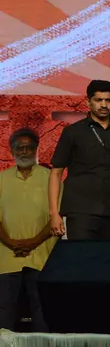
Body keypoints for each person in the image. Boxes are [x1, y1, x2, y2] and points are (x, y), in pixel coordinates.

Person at [49, 80, 110, 239]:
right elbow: (56, 173)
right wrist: (54, 213)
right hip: (80, 213)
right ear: (89, 102)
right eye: (99, 100)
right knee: (82, 261)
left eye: (108, 100)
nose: (104, 105)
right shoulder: (73, 132)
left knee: (109, 262)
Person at [0, 128, 57, 331]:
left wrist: (32, 243)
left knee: (41, 311)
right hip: (7, 258)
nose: (24, 152)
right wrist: (10, 242)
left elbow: (55, 218)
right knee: (4, 312)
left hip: (42, 257)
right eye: (19, 148)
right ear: (11, 150)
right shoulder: (1, 179)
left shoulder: (52, 178)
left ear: (36, 149)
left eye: (29, 148)